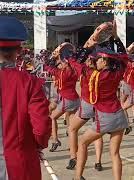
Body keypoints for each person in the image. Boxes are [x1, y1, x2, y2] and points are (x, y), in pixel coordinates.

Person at [0, 16, 51, 180]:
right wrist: (38, 144)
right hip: (18, 162)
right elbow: (41, 126)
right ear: (19, 51)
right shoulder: (29, 82)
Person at [75, 37, 130, 180]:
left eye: (98, 59)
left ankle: (77, 176)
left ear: (104, 61)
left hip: (105, 117)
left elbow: (77, 61)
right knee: (115, 154)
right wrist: (116, 39)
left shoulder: (93, 75)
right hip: (119, 115)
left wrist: (87, 47)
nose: (95, 61)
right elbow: (124, 57)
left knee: (82, 142)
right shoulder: (117, 73)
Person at [66, 54, 104, 171]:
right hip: (100, 105)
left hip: (87, 104)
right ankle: (98, 162)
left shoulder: (86, 72)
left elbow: (72, 60)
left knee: (72, 128)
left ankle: (73, 157)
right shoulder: (104, 73)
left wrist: (82, 51)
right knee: (98, 133)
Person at [45, 51, 80, 152]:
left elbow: (49, 68)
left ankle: (55, 140)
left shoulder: (61, 73)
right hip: (75, 99)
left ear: (65, 63)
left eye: (61, 63)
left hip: (67, 99)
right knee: (72, 125)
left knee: (52, 117)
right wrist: (60, 58)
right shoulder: (74, 72)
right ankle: (73, 145)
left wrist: (53, 58)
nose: (59, 65)